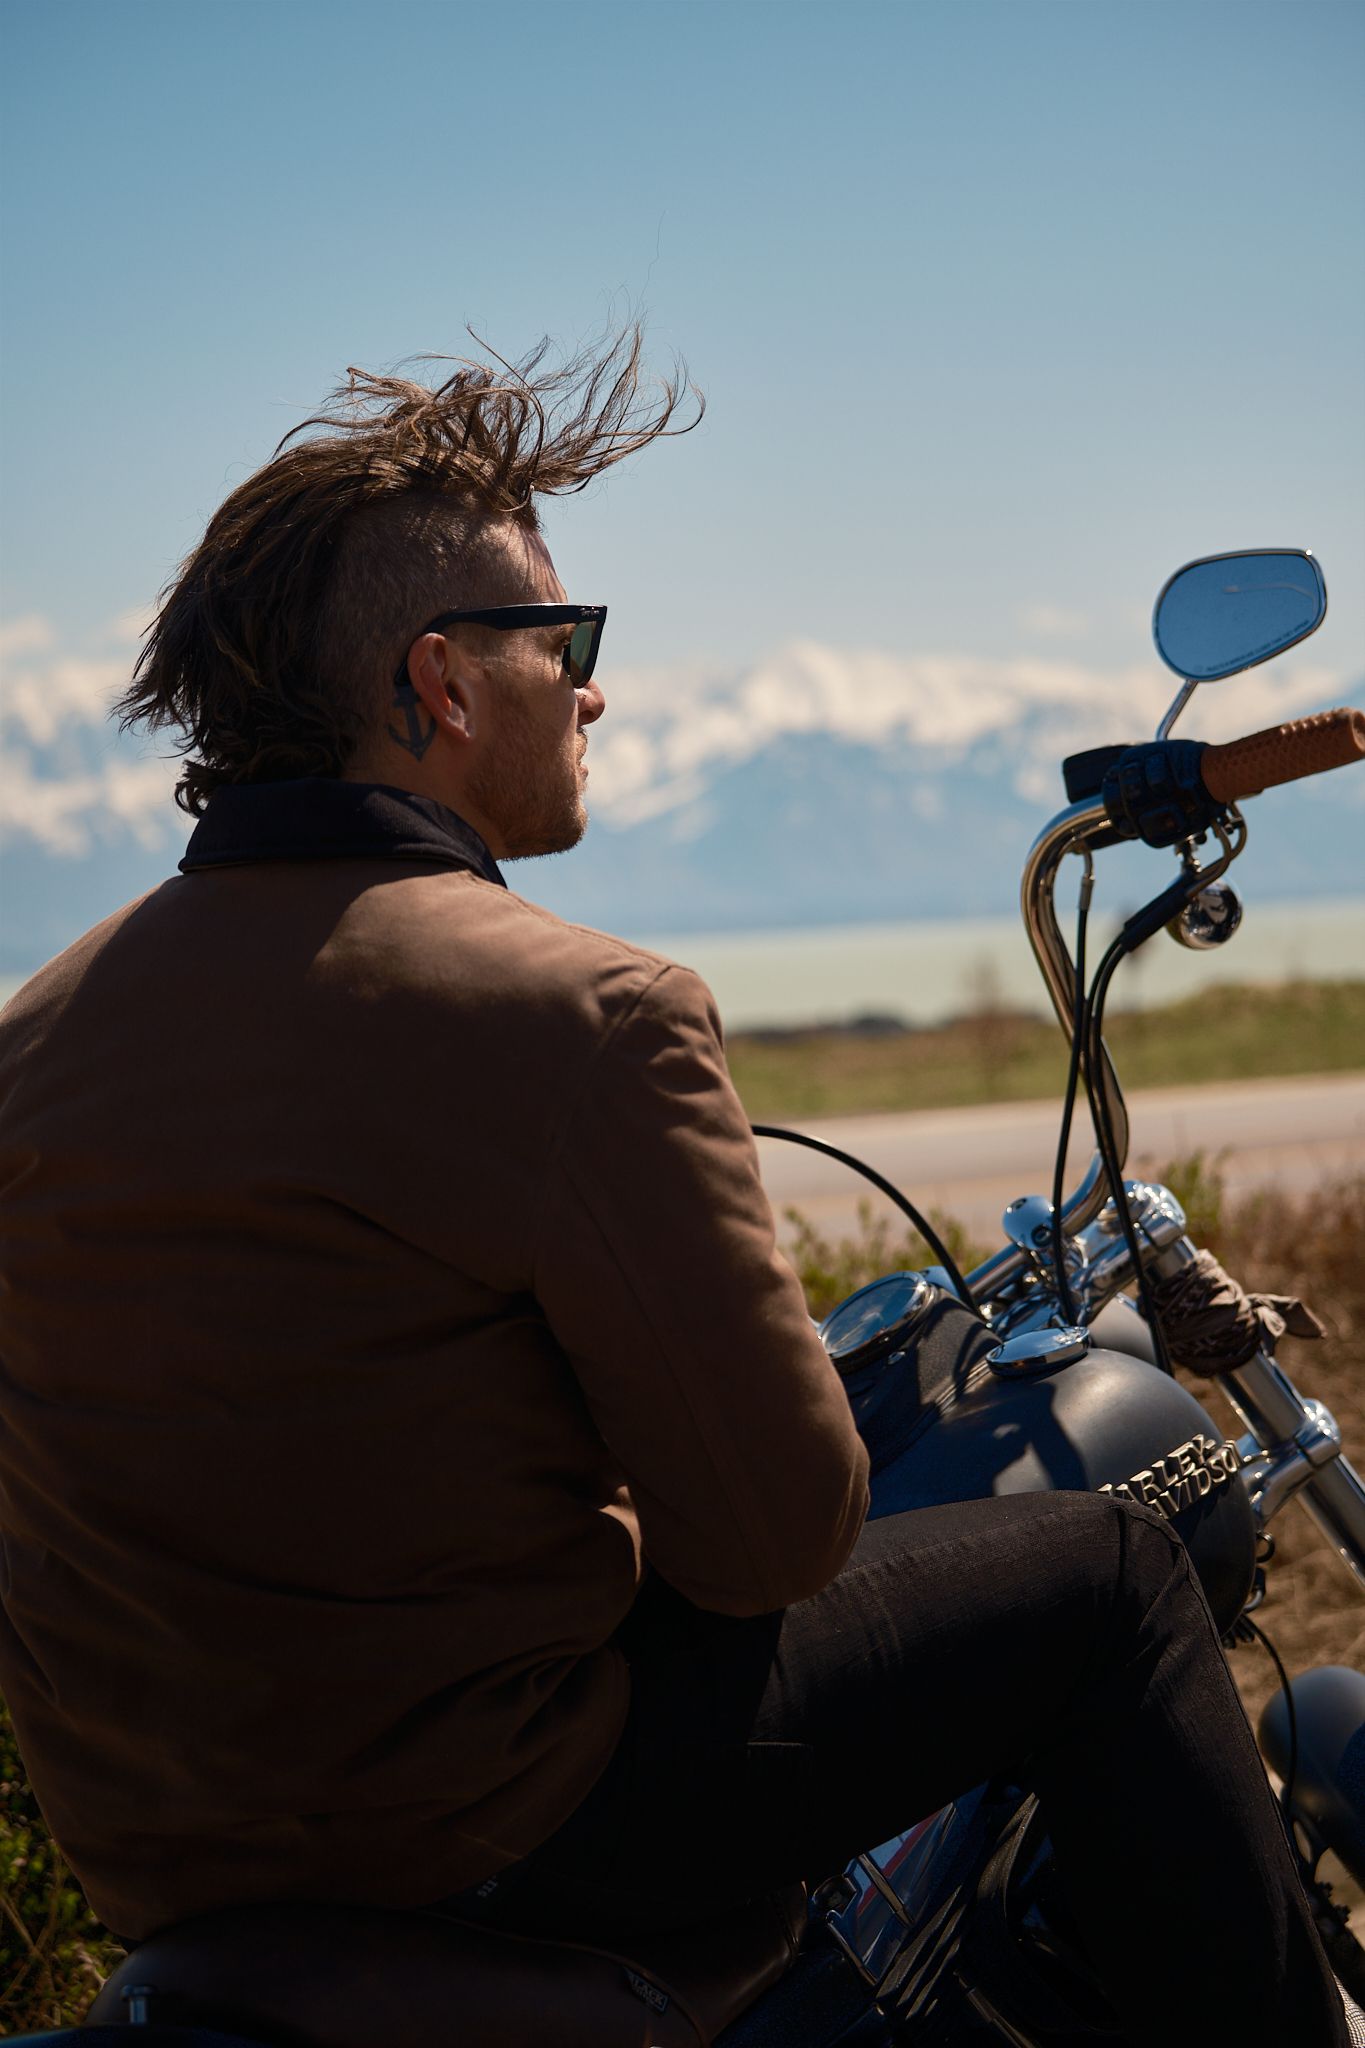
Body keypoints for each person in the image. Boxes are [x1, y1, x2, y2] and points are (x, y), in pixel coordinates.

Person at [0, 334, 1350, 2047]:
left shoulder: (37, 1031)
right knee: (1109, 1582)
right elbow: (776, 1534)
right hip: (502, 1823)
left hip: (171, 1858)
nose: (592, 688)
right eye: (564, 641)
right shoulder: (579, 1010)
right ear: (439, 685)